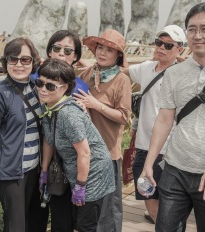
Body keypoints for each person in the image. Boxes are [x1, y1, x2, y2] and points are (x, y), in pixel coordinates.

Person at [140, 3, 205, 231]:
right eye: (192, 29)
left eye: (204, 29)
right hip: (175, 169)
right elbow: (164, 120)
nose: (198, 35)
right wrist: (149, 163)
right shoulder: (174, 73)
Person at [37, 58, 115, 231]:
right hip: (74, 169)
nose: (43, 89)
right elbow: (49, 140)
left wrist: (80, 186)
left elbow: (85, 153)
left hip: (93, 172)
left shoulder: (68, 115)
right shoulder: (47, 106)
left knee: (85, 225)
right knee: (69, 221)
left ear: (64, 88)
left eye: (50, 86)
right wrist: (44, 171)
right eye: (39, 83)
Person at [123, 25, 186, 223]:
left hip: (170, 150)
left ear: (180, 49)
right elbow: (123, 71)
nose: (161, 48)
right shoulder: (146, 68)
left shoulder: (182, 75)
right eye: (159, 43)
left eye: (168, 45)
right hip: (144, 146)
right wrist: (91, 67)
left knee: (170, 202)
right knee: (147, 195)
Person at [29, 29, 90, 232]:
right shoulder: (33, 78)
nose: (61, 53)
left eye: (68, 50)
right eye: (56, 48)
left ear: (76, 57)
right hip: (31, 154)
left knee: (61, 217)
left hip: (63, 160)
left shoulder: (80, 87)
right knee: (33, 215)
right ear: (49, 51)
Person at [0, 37, 41, 232]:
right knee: (16, 226)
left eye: (25, 59)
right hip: (11, 172)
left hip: (35, 168)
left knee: (33, 222)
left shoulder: (37, 88)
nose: (18, 64)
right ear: (5, 62)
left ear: (33, 61)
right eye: (12, 59)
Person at [74, 29, 132, 232]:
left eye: (110, 50)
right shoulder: (88, 73)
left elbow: (124, 116)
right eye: (100, 47)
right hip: (85, 152)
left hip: (107, 153)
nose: (103, 53)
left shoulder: (121, 80)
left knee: (108, 210)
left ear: (118, 56)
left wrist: (94, 104)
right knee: (87, 208)